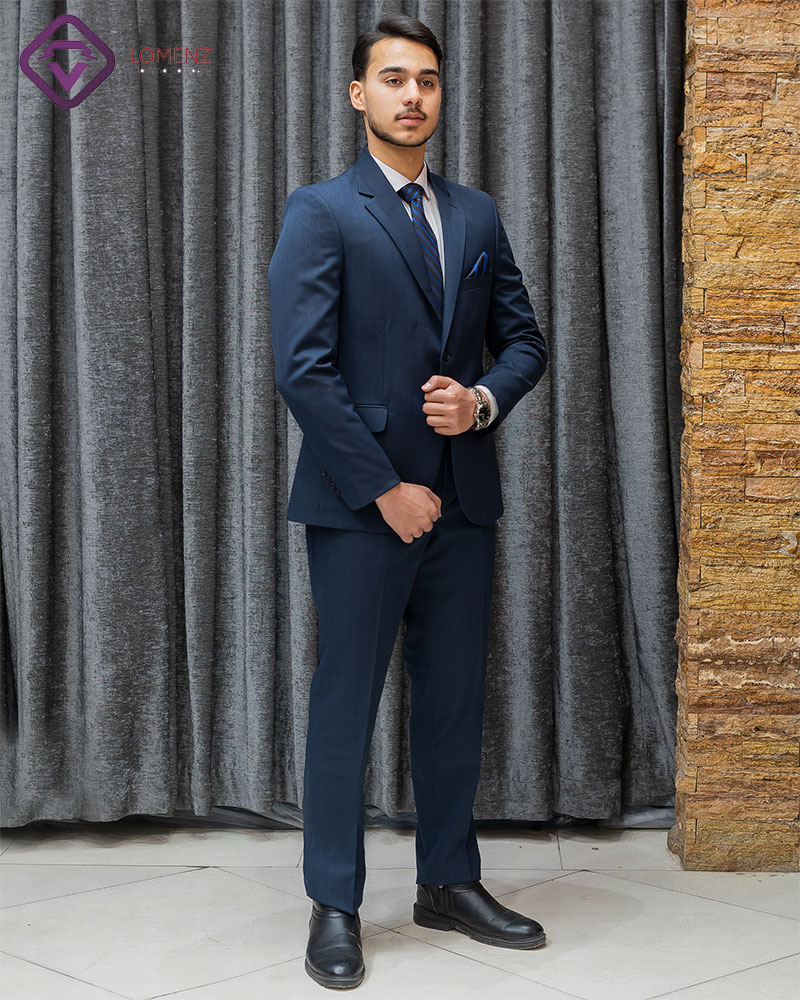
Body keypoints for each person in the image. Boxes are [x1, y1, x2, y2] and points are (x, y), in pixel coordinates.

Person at [268, 13, 548, 990]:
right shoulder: (321, 210)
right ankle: (334, 905)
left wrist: (480, 401)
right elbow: (303, 370)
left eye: (426, 79)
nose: (411, 94)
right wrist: (384, 487)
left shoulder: (475, 215)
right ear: (360, 95)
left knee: (453, 699)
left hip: (463, 501)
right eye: (392, 78)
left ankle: (448, 882)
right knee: (346, 701)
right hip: (361, 505)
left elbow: (523, 343)